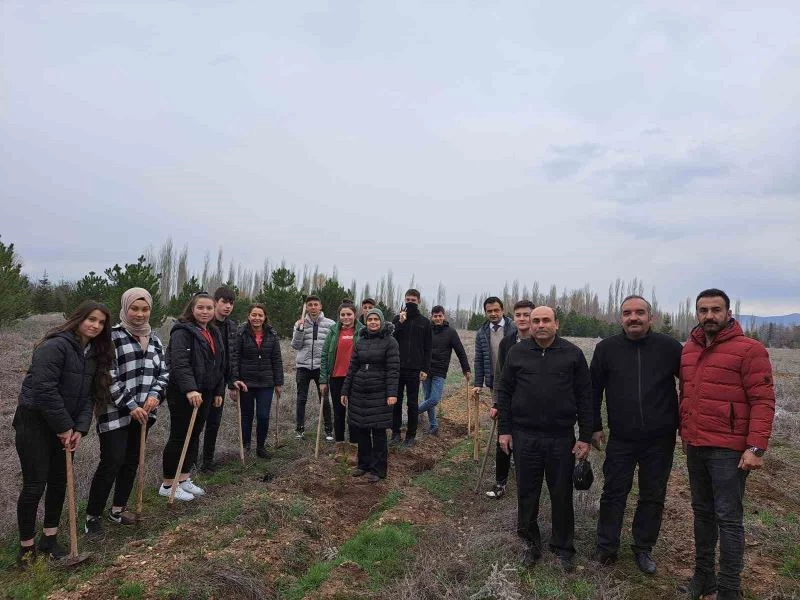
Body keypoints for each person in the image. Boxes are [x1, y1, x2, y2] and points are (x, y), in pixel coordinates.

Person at [679, 289, 775, 600]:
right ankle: (703, 578)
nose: (709, 315)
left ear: (728, 313)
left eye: (715, 310)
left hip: (729, 450)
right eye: (703, 310)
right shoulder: (689, 350)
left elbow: (763, 400)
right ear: (696, 313)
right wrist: (684, 433)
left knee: (728, 518)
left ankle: (730, 589)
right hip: (696, 444)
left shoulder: (750, 350)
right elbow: (686, 395)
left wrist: (756, 446)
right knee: (702, 513)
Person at [14, 301, 113, 563]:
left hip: (66, 426)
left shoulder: (93, 352)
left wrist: (79, 429)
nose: (95, 325)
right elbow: (44, 390)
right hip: (34, 422)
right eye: (91, 319)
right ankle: (26, 549)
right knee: (35, 485)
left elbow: (90, 396)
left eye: (101, 322)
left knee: (60, 482)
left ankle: (50, 540)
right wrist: (64, 427)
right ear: (78, 318)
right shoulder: (55, 345)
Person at [590, 295, 683, 573]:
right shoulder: (606, 349)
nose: (634, 317)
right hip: (621, 438)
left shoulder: (669, 347)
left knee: (652, 496)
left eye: (639, 312)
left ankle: (643, 548)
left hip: (660, 439)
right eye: (627, 313)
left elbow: (690, 387)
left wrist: (685, 426)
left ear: (650, 317)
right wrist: (594, 426)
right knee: (613, 493)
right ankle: (606, 548)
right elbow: (593, 390)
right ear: (620, 318)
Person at [496, 306, 592, 572]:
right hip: (525, 436)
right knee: (527, 492)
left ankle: (563, 547)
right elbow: (504, 393)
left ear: (556, 324)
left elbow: (586, 397)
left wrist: (584, 436)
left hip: (561, 438)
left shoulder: (572, 354)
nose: (540, 324)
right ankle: (530, 543)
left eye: (545, 320)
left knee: (561, 493)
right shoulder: (517, 352)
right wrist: (505, 430)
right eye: (535, 320)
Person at [85, 288, 169, 535]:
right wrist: (131, 406)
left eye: (145, 309)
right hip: (115, 412)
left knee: (131, 461)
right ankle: (92, 516)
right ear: (125, 308)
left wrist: (155, 396)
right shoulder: (111, 337)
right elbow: (107, 376)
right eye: (134, 308)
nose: (140, 314)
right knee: (111, 461)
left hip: (145, 413)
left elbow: (164, 372)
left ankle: (118, 510)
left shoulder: (155, 339)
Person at [160, 293, 225, 501]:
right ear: (192, 309)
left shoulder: (213, 331)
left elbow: (219, 364)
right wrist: (189, 389)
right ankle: (168, 483)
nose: (205, 312)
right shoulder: (182, 332)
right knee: (179, 435)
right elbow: (180, 363)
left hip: (205, 392)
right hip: (183, 393)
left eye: (209, 308)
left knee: (195, 433)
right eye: (201, 308)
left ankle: (184, 478)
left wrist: (217, 391)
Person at [341, 308, 400, 483]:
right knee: (362, 429)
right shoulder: (360, 341)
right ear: (365, 321)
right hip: (359, 391)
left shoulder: (390, 342)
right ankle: (363, 464)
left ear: (381, 321)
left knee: (378, 431)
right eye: (369, 319)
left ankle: (378, 469)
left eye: (376, 319)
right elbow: (352, 367)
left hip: (379, 391)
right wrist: (345, 390)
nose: (372, 322)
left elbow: (393, 370)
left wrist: (391, 393)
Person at [486, 299, 533, 498]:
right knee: (503, 441)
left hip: (533, 404)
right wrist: (496, 402)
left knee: (527, 445)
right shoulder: (507, 342)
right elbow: (499, 375)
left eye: (526, 315)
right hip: (508, 400)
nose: (522, 319)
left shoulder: (539, 341)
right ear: (513, 317)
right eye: (518, 315)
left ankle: (528, 484)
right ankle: (500, 484)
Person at [233, 303, 283, 458]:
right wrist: (234, 380)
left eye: (260, 315)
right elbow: (235, 358)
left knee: (263, 416)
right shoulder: (241, 333)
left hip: (266, 383)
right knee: (246, 416)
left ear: (264, 317)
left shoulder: (272, 334)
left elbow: (277, 359)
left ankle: (260, 447)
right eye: (254, 315)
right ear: (249, 316)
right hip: (246, 383)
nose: (257, 318)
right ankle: (246, 447)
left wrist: (278, 382)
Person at [200, 286, 242, 472]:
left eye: (231, 303)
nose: (227, 306)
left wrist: (232, 382)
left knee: (214, 423)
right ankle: (190, 462)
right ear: (215, 302)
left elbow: (232, 356)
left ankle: (207, 462)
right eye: (224, 302)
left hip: (220, 384)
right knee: (196, 424)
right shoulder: (206, 324)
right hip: (202, 382)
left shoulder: (232, 327)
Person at [320, 302, 364, 458]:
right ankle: (339, 447)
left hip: (355, 378)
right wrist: (323, 380)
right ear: (339, 316)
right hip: (336, 377)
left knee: (354, 414)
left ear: (355, 315)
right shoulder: (333, 332)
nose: (346, 317)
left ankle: (353, 448)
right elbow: (325, 355)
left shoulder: (362, 331)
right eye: (343, 315)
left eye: (349, 314)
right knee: (339, 413)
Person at [418, 305, 470, 436]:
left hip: (440, 371)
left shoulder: (451, 332)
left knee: (434, 399)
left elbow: (460, 351)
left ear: (444, 316)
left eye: (440, 316)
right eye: (435, 316)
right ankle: (433, 426)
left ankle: (414, 412)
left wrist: (466, 369)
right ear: (432, 316)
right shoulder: (426, 330)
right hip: (425, 370)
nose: (437, 318)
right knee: (428, 398)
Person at [390, 289, 432, 448]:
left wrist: (425, 368)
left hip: (414, 369)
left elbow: (428, 348)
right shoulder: (397, 319)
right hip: (397, 367)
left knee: (412, 403)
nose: (410, 302)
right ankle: (395, 433)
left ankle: (410, 435)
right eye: (408, 299)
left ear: (419, 301)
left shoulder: (424, 322)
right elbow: (390, 339)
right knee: (396, 401)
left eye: (413, 300)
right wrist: (400, 323)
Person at [292, 295, 335, 439]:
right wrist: (300, 329)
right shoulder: (300, 323)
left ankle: (328, 430)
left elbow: (332, 347)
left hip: (320, 367)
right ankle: (299, 429)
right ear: (306, 307)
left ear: (320, 306)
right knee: (301, 398)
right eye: (310, 305)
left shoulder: (330, 324)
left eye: (316, 304)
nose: (313, 307)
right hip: (303, 366)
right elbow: (295, 345)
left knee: (324, 398)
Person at [472, 296, 517, 400]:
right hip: (494, 381)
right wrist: (478, 383)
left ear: (502, 310)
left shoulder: (514, 328)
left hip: (515, 378)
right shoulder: (481, 333)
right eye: (489, 311)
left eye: (496, 310)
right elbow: (479, 359)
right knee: (498, 411)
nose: (493, 314)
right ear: (485, 312)